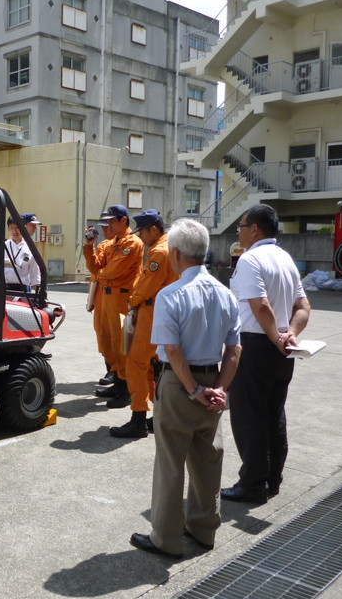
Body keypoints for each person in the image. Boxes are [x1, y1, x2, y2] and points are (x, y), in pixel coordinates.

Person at [130, 218, 241, 558]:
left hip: (180, 384)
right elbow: (234, 349)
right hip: (213, 380)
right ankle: (204, 529)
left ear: (176, 254)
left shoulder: (170, 294)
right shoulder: (225, 294)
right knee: (208, 460)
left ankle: (166, 537)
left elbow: (173, 350)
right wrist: (220, 389)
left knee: (170, 461)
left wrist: (193, 390)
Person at [221, 205, 311, 504]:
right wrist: (289, 335)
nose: (239, 232)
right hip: (282, 347)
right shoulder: (285, 258)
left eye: (241, 226)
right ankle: (272, 479)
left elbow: (260, 305)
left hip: (257, 344)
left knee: (249, 416)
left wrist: (276, 337)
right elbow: (303, 306)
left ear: (254, 229)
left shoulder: (251, 259)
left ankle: (252, 484)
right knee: (273, 414)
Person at [110, 209, 177, 438]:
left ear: (154, 230)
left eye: (143, 232)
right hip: (162, 312)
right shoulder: (170, 246)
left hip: (151, 312)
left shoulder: (159, 251)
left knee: (136, 364)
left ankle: (138, 418)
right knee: (154, 367)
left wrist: (132, 301)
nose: (141, 236)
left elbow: (147, 285)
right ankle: (161, 415)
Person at [83, 204, 143, 407]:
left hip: (121, 299)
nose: (108, 225)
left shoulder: (132, 243)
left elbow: (113, 271)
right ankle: (117, 381)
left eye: (111, 221)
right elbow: (95, 266)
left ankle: (126, 388)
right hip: (107, 297)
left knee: (121, 344)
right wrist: (89, 246)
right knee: (108, 342)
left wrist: (100, 274)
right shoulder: (111, 243)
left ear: (123, 220)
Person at [84, 215, 116, 385]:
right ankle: (111, 368)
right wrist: (89, 246)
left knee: (116, 335)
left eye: (107, 226)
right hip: (100, 294)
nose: (104, 229)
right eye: (102, 226)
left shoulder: (125, 244)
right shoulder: (103, 245)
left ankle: (118, 372)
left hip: (116, 296)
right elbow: (94, 267)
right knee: (102, 333)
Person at [0, 213, 41, 292]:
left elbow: (35, 273)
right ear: (8, 229)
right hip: (3, 288)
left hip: (23, 289)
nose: (15, 231)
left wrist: (38, 292)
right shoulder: (1, 246)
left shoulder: (30, 248)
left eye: (17, 228)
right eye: (11, 228)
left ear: (24, 228)